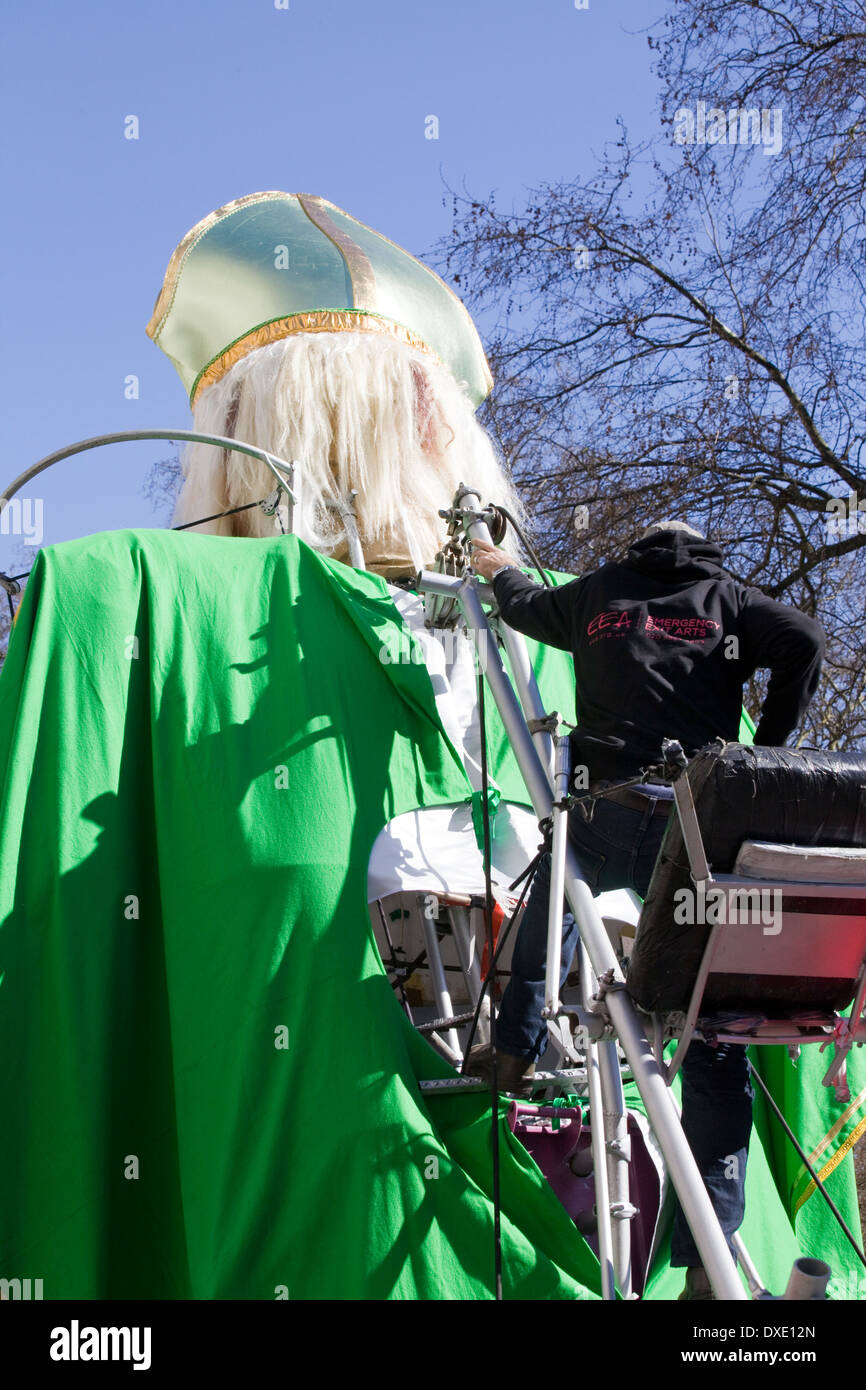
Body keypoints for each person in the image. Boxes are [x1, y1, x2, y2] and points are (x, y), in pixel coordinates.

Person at [466, 520, 825, 1300]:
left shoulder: (599, 593)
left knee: (559, 887)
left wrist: (496, 565)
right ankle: (710, 1259)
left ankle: (516, 1038)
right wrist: (762, 756)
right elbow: (801, 641)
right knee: (711, 1038)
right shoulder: (725, 600)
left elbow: (525, 607)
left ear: (639, 549)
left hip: (605, 809)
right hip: (692, 826)